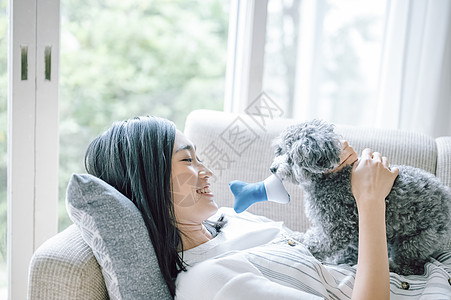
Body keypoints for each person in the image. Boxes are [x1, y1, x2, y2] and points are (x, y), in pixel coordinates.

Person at [84, 115, 398, 299]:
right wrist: (370, 201)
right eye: (187, 160)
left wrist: (335, 180)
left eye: (200, 158)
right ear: (151, 181)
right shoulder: (210, 281)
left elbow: (322, 252)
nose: (207, 172)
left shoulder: (228, 219)